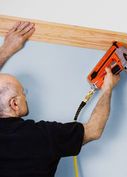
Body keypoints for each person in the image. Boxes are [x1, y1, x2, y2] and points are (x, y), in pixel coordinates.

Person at [0, 21, 120, 177]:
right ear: (14, 104)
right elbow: (94, 130)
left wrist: (6, 49)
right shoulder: (44, 135)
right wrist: (108, 88)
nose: (26, 96)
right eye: (23, 92)